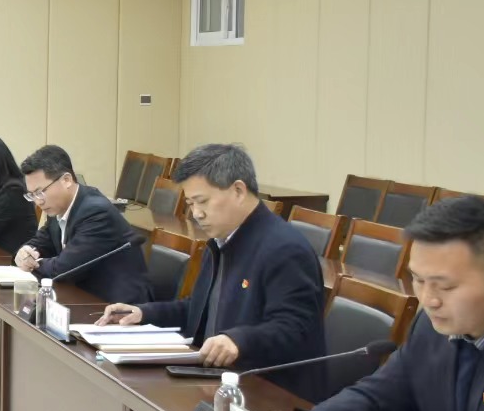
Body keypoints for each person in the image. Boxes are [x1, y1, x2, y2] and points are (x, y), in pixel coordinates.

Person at [266, 198, 484, 411]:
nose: (429, 300)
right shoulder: (430, 327)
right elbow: (380, 395)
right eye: (418, 280)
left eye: (446, 287)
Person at [101, 144, 326, 373]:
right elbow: (199, 309)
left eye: (203, 201)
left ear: (238, 191)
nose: (196, 214)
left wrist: (238, 341)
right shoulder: (220, 241)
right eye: (191, 204)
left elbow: (295, 328)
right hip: (216, 375)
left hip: (265, 385)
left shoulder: (284, 248)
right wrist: (144, 313)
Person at [15, 144, 152, 304]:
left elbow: (65, 269)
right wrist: (25, 252)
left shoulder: (96, 212)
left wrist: (33, 263)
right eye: (32, 195)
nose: (38, 201)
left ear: (66, 180)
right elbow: (41, 242)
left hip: (119, 306)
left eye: (40, 192)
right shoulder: (57, 207)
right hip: (84, 298)